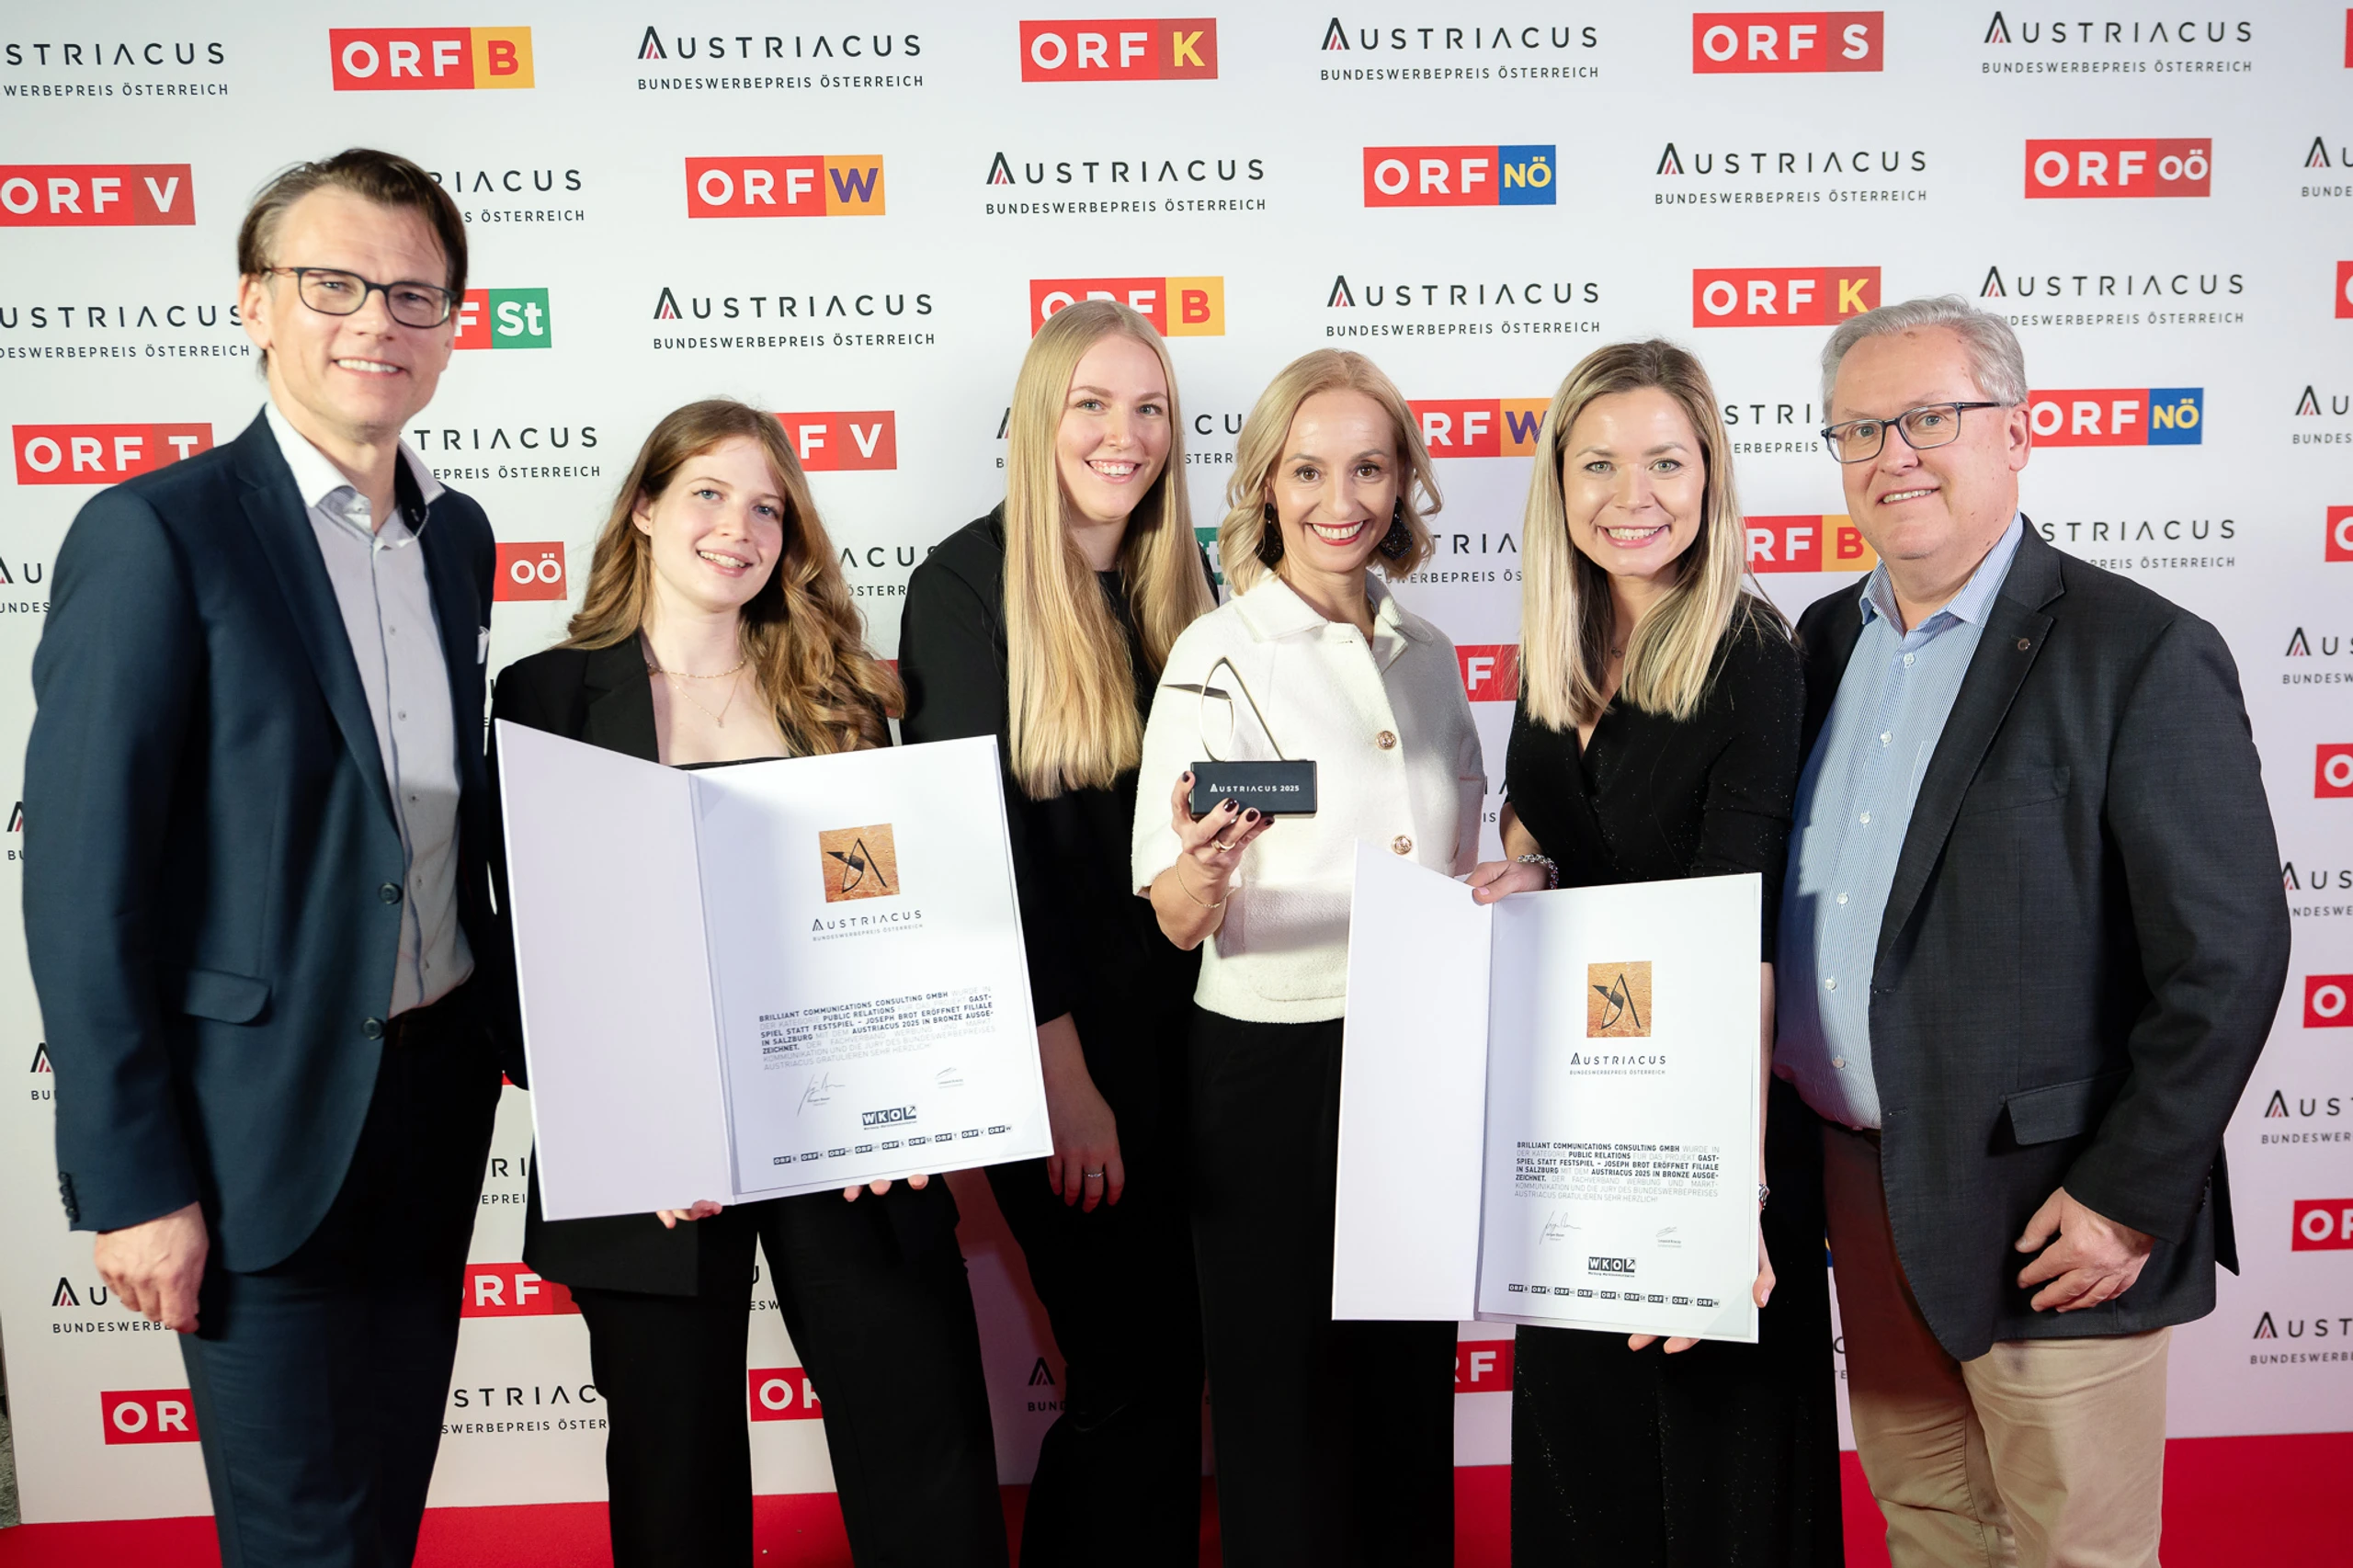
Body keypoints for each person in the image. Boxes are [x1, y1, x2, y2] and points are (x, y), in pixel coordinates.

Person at [24, 149, 503, 1568]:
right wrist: (130, 1180)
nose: (377, 322)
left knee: (384, 1516)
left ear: (450, 325)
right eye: (333, 284)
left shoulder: (457, 538)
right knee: (304, 1541)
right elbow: (81, 883)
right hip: (250, 1139)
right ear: (255, 303)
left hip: (431, 1105)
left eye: (413, 294)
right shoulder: (154, 534)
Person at [1778, 296, 2287, 1568]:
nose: (1893, 454)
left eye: (1928, 418)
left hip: (2052, 1217)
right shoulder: (1822, 640)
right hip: (1862, 1195)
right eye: (1859, 429)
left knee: (2076, 1553)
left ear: (2016, 431)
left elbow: (2225, 959)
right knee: (1929, 1527)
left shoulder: (2140, 651)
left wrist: (2125, 1196)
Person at [486, 400, 1007, 1568]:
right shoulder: (546, 696)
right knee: (675, 1481)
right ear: (644, 507)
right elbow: (527, 944)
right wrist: (635, 1130)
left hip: (843, 1134)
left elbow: (893, 926)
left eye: (768, 507)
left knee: (923, 1445)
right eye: (710, 494)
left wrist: (906, 1098)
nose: (740, 527)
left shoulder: (841, 694)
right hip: (646, 1161)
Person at [1466, 340, 1842, 1565]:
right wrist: (1533, 871)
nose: (1634, 495)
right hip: (1577, 1126)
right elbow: (1561, 836)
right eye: (1600, 464)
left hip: (1706, 1120)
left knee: (1713, 1487)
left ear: (1710, 474)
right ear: (1558, 483)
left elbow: (1739, 937)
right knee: (1585, 1473)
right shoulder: (1555, 647)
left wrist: (1731, 1194)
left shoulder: (1751, 655)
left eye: (1667, 462)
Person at [1132, 348, 1483, 1567]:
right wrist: (1203, 868)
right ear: (1266, 485)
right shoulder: (1216, 653)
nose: (1343, 499)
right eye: (1310, 470)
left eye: (1370, 468)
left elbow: (1460, 853)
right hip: (1268, 1067)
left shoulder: (1428, 651)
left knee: (1405, 1399)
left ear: (1403, 484)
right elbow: (1174, 912)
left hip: (1411, 1059)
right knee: (1282, 1408)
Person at [899, 301, 1215, 1566]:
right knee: (1132, 1363)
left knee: (1160, 1367)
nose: (1122, 434)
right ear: (1039, 418)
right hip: (1056, 1046)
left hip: (1193, 1039)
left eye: (1148, 408)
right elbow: (978, 863)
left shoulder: (1190, 587)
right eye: (1091, 403)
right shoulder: (963, 585)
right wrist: (1063, 1080)